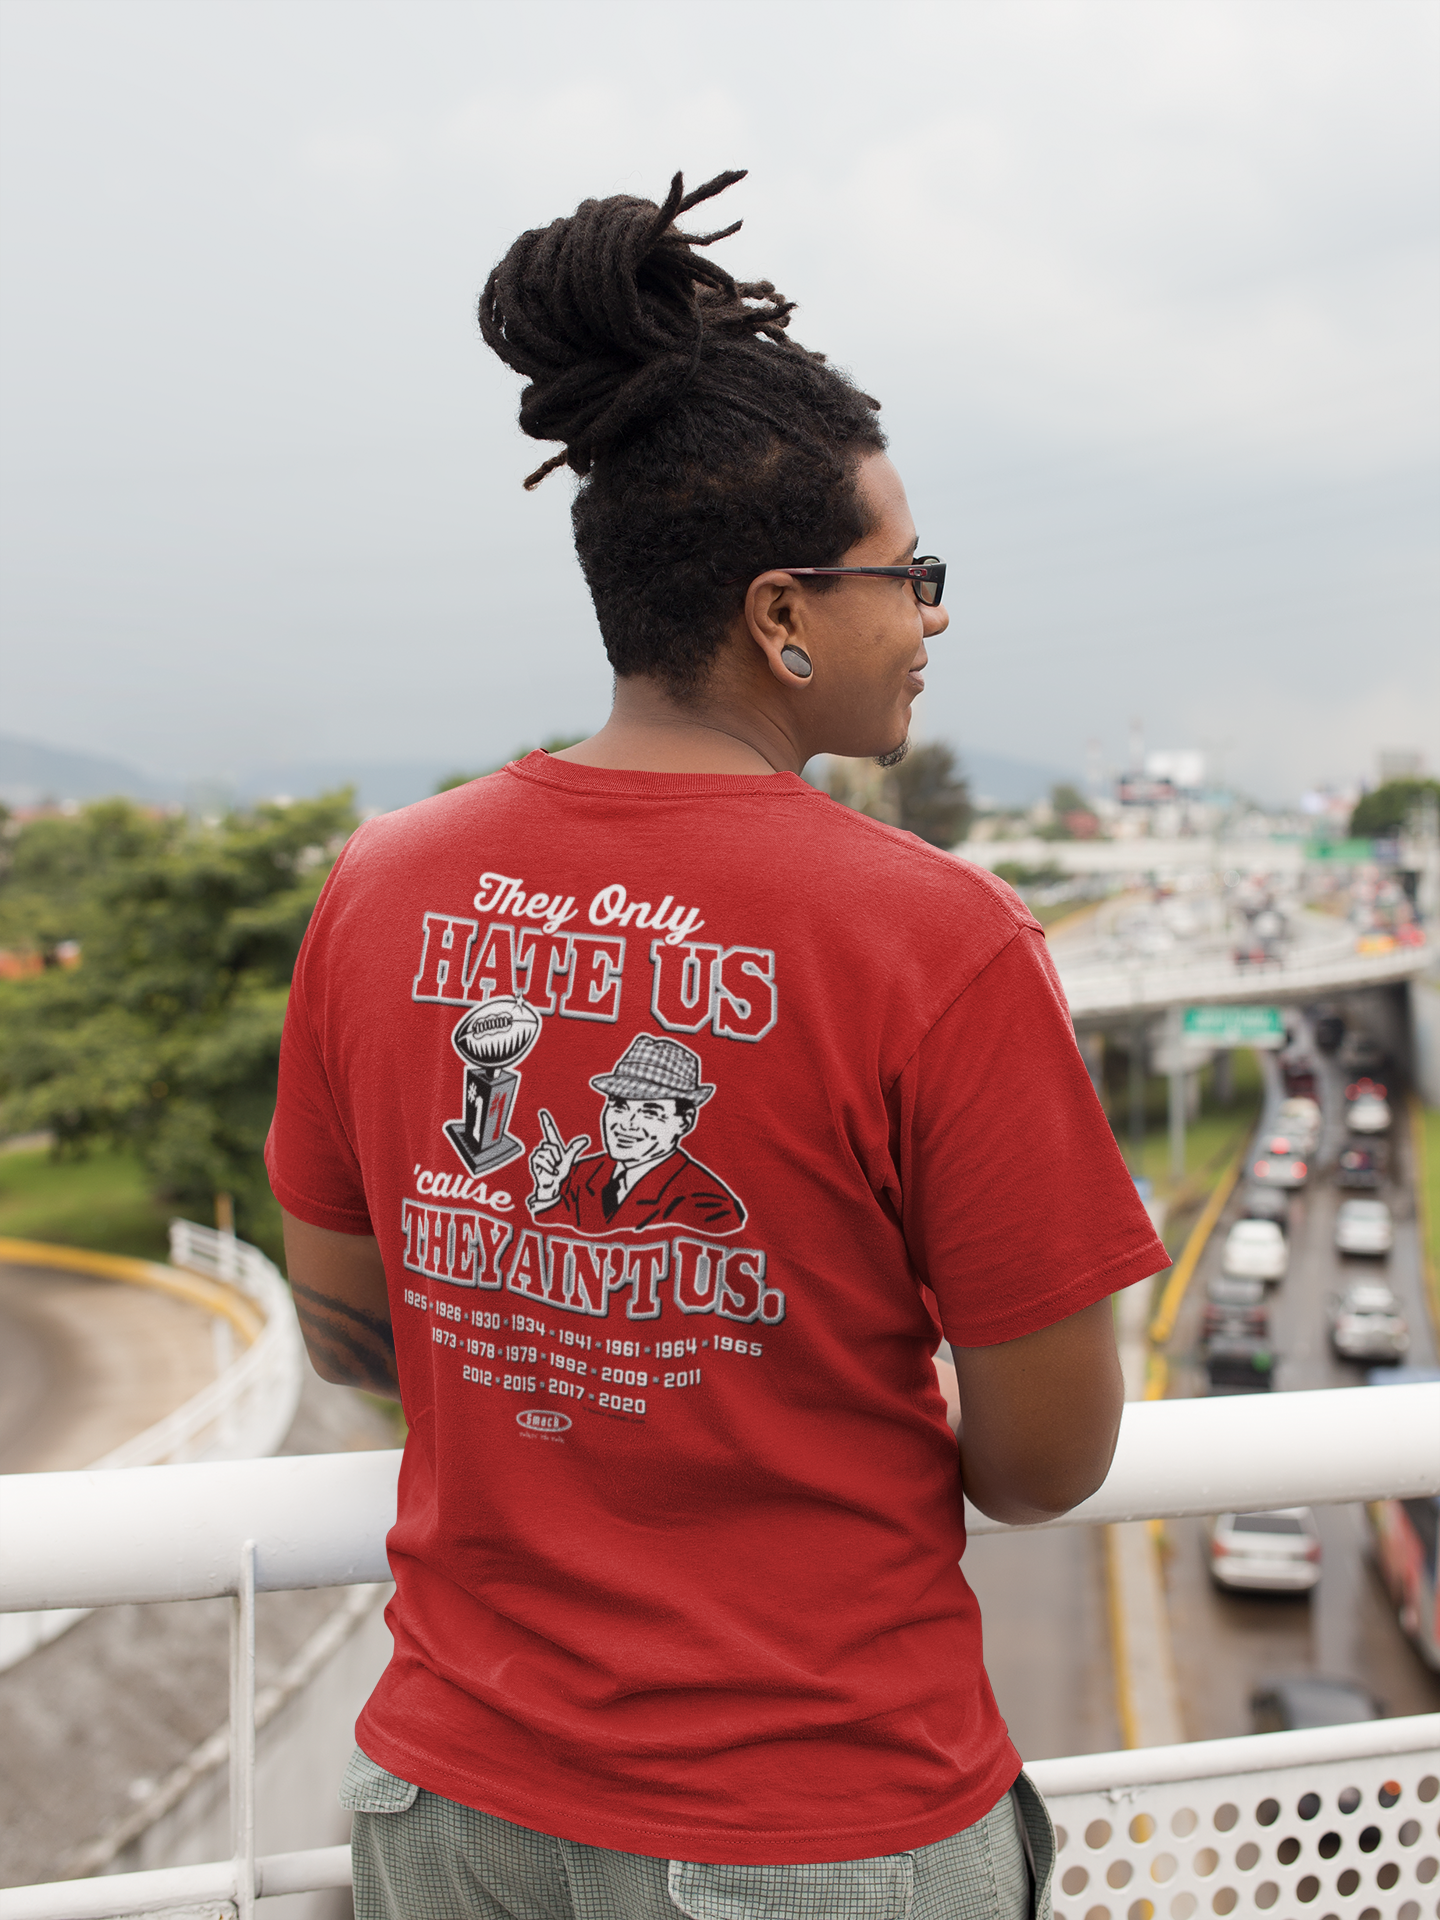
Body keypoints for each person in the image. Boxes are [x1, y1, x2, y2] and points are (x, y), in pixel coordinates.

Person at [267, 168, 1167, 1920]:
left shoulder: (381, 886)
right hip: (815, 1817)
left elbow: (352, 1330)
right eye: (907, 574)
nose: (931, 615)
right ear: (780, 615)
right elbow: (1046, 1462)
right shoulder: (940, 939)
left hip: (447, 1808)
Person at [528, 1033, 747, 1235]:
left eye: (649, 1112)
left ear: (685, 1121)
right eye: (619, 1106)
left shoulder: (710, 1204)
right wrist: (548, 1191)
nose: (626, 1124)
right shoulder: (576, 1175)